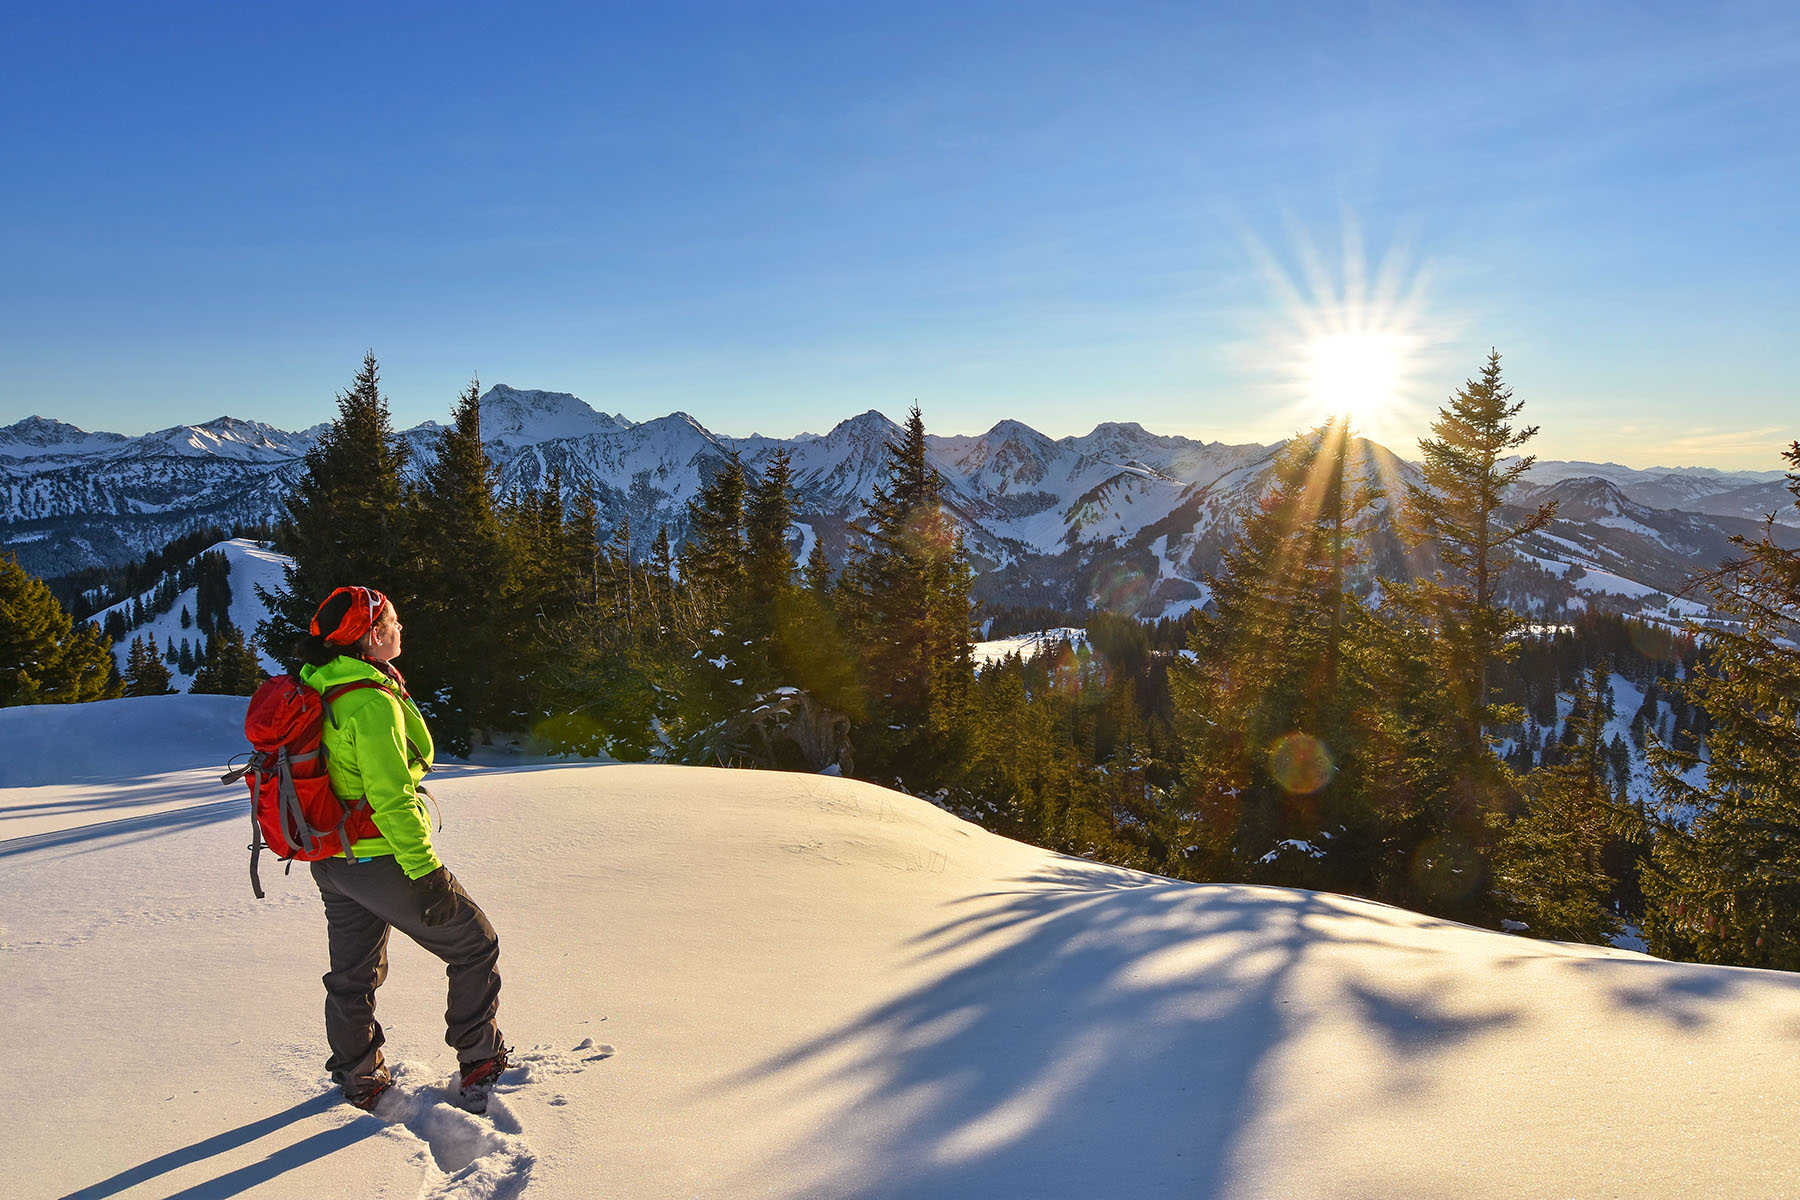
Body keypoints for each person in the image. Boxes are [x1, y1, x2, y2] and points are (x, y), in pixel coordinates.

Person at [296, 585, 508, 1111]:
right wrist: (427, 874)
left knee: (352, 972)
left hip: (331, 858)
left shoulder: (323, 685)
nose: (400, 629)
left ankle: (359, 1073)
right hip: (376, 854)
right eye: (393, 621)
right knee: (474, 943)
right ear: (373, 634)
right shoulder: (368, 703)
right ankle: (479, 1057)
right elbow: (389, 798)